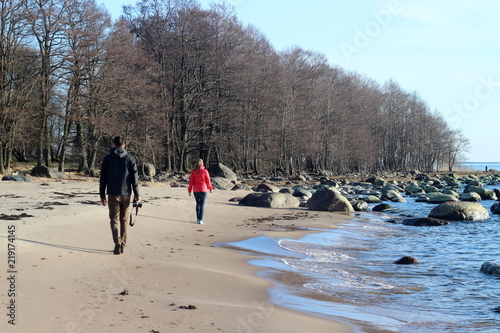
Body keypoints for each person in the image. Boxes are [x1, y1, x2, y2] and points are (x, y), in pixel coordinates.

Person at [100, 136, 141, 255]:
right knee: (124, 219)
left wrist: (102, 195)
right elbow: (134, 178)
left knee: (114, 218)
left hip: (112, 193)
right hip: (126, 193)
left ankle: (116, 241)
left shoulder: (107, 159)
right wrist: (137, 194)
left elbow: (103, 178)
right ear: (125, 145)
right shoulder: (130, 158)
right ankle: (122, 245)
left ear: (114, 145)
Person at [188, 159, 213, 224]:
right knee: (202, 205)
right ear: (202, 164)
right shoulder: (205, 171)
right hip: (203, 190)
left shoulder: (193, 172)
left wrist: (189, 190)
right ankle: (200, 219)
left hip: (196, 190)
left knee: (198, 204)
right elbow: (208, 181)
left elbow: (191, 182)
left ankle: (198, 219)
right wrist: (210, 188)